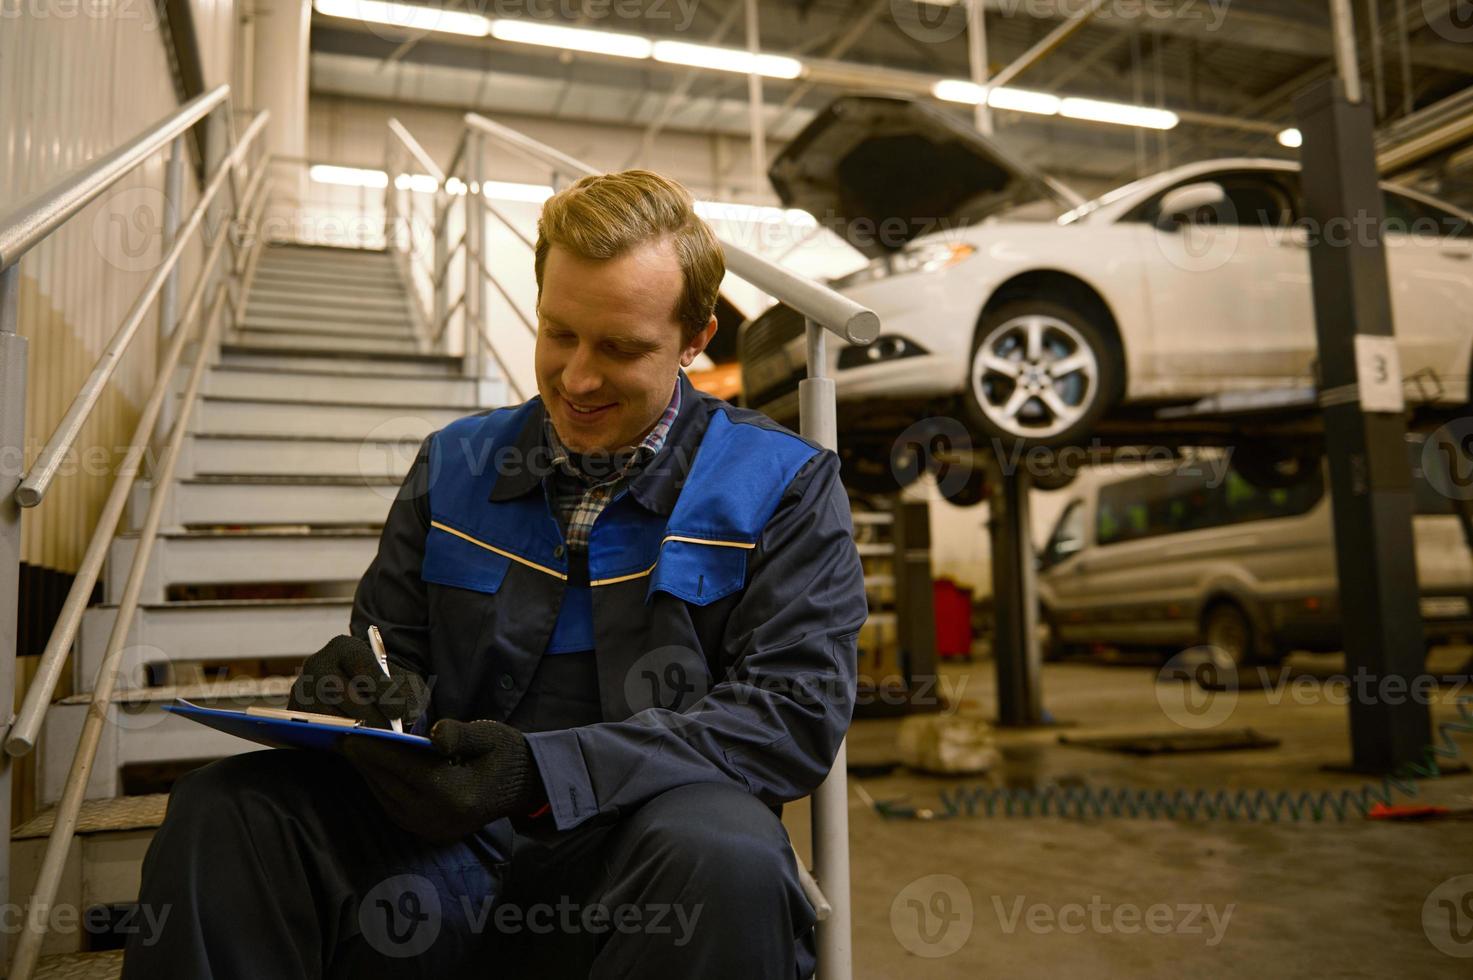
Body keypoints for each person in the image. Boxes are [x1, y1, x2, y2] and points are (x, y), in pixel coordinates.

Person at [122, 169, 867, 979]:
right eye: (557, 333)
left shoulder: (781, 483)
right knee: (228, 810)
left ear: (696, 340)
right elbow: (387, 646)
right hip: (449, 853)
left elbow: (788, 717)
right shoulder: (457, 463)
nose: (577, 379)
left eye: (620, 348)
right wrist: (358, 696)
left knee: (727, 857)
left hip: (649, 854)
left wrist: (541, 772)